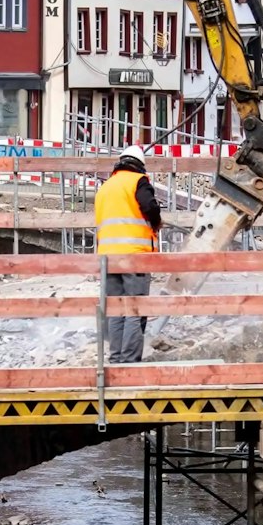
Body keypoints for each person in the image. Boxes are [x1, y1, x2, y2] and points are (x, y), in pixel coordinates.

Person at [94, 144, 163, 364]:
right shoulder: (137, 181)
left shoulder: (106, 187)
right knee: (135, 309)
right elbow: (149, 207)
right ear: (140, 165)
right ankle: (130, 362)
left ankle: (116, 360)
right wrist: (157, 222)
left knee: (116, 309)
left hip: (108, 258)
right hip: (134, 256)